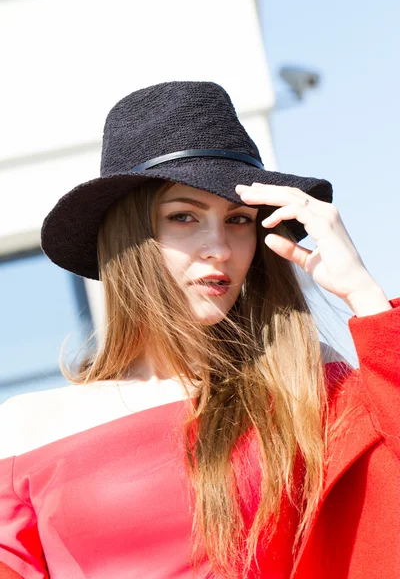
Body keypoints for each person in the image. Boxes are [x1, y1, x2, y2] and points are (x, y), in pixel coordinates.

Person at [0, 81, 398, 579]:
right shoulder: (27, 428)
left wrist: (364, 296)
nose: (220, 246)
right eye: (183, 216)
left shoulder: (309, 382)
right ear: (130, 236)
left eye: (238, 220)